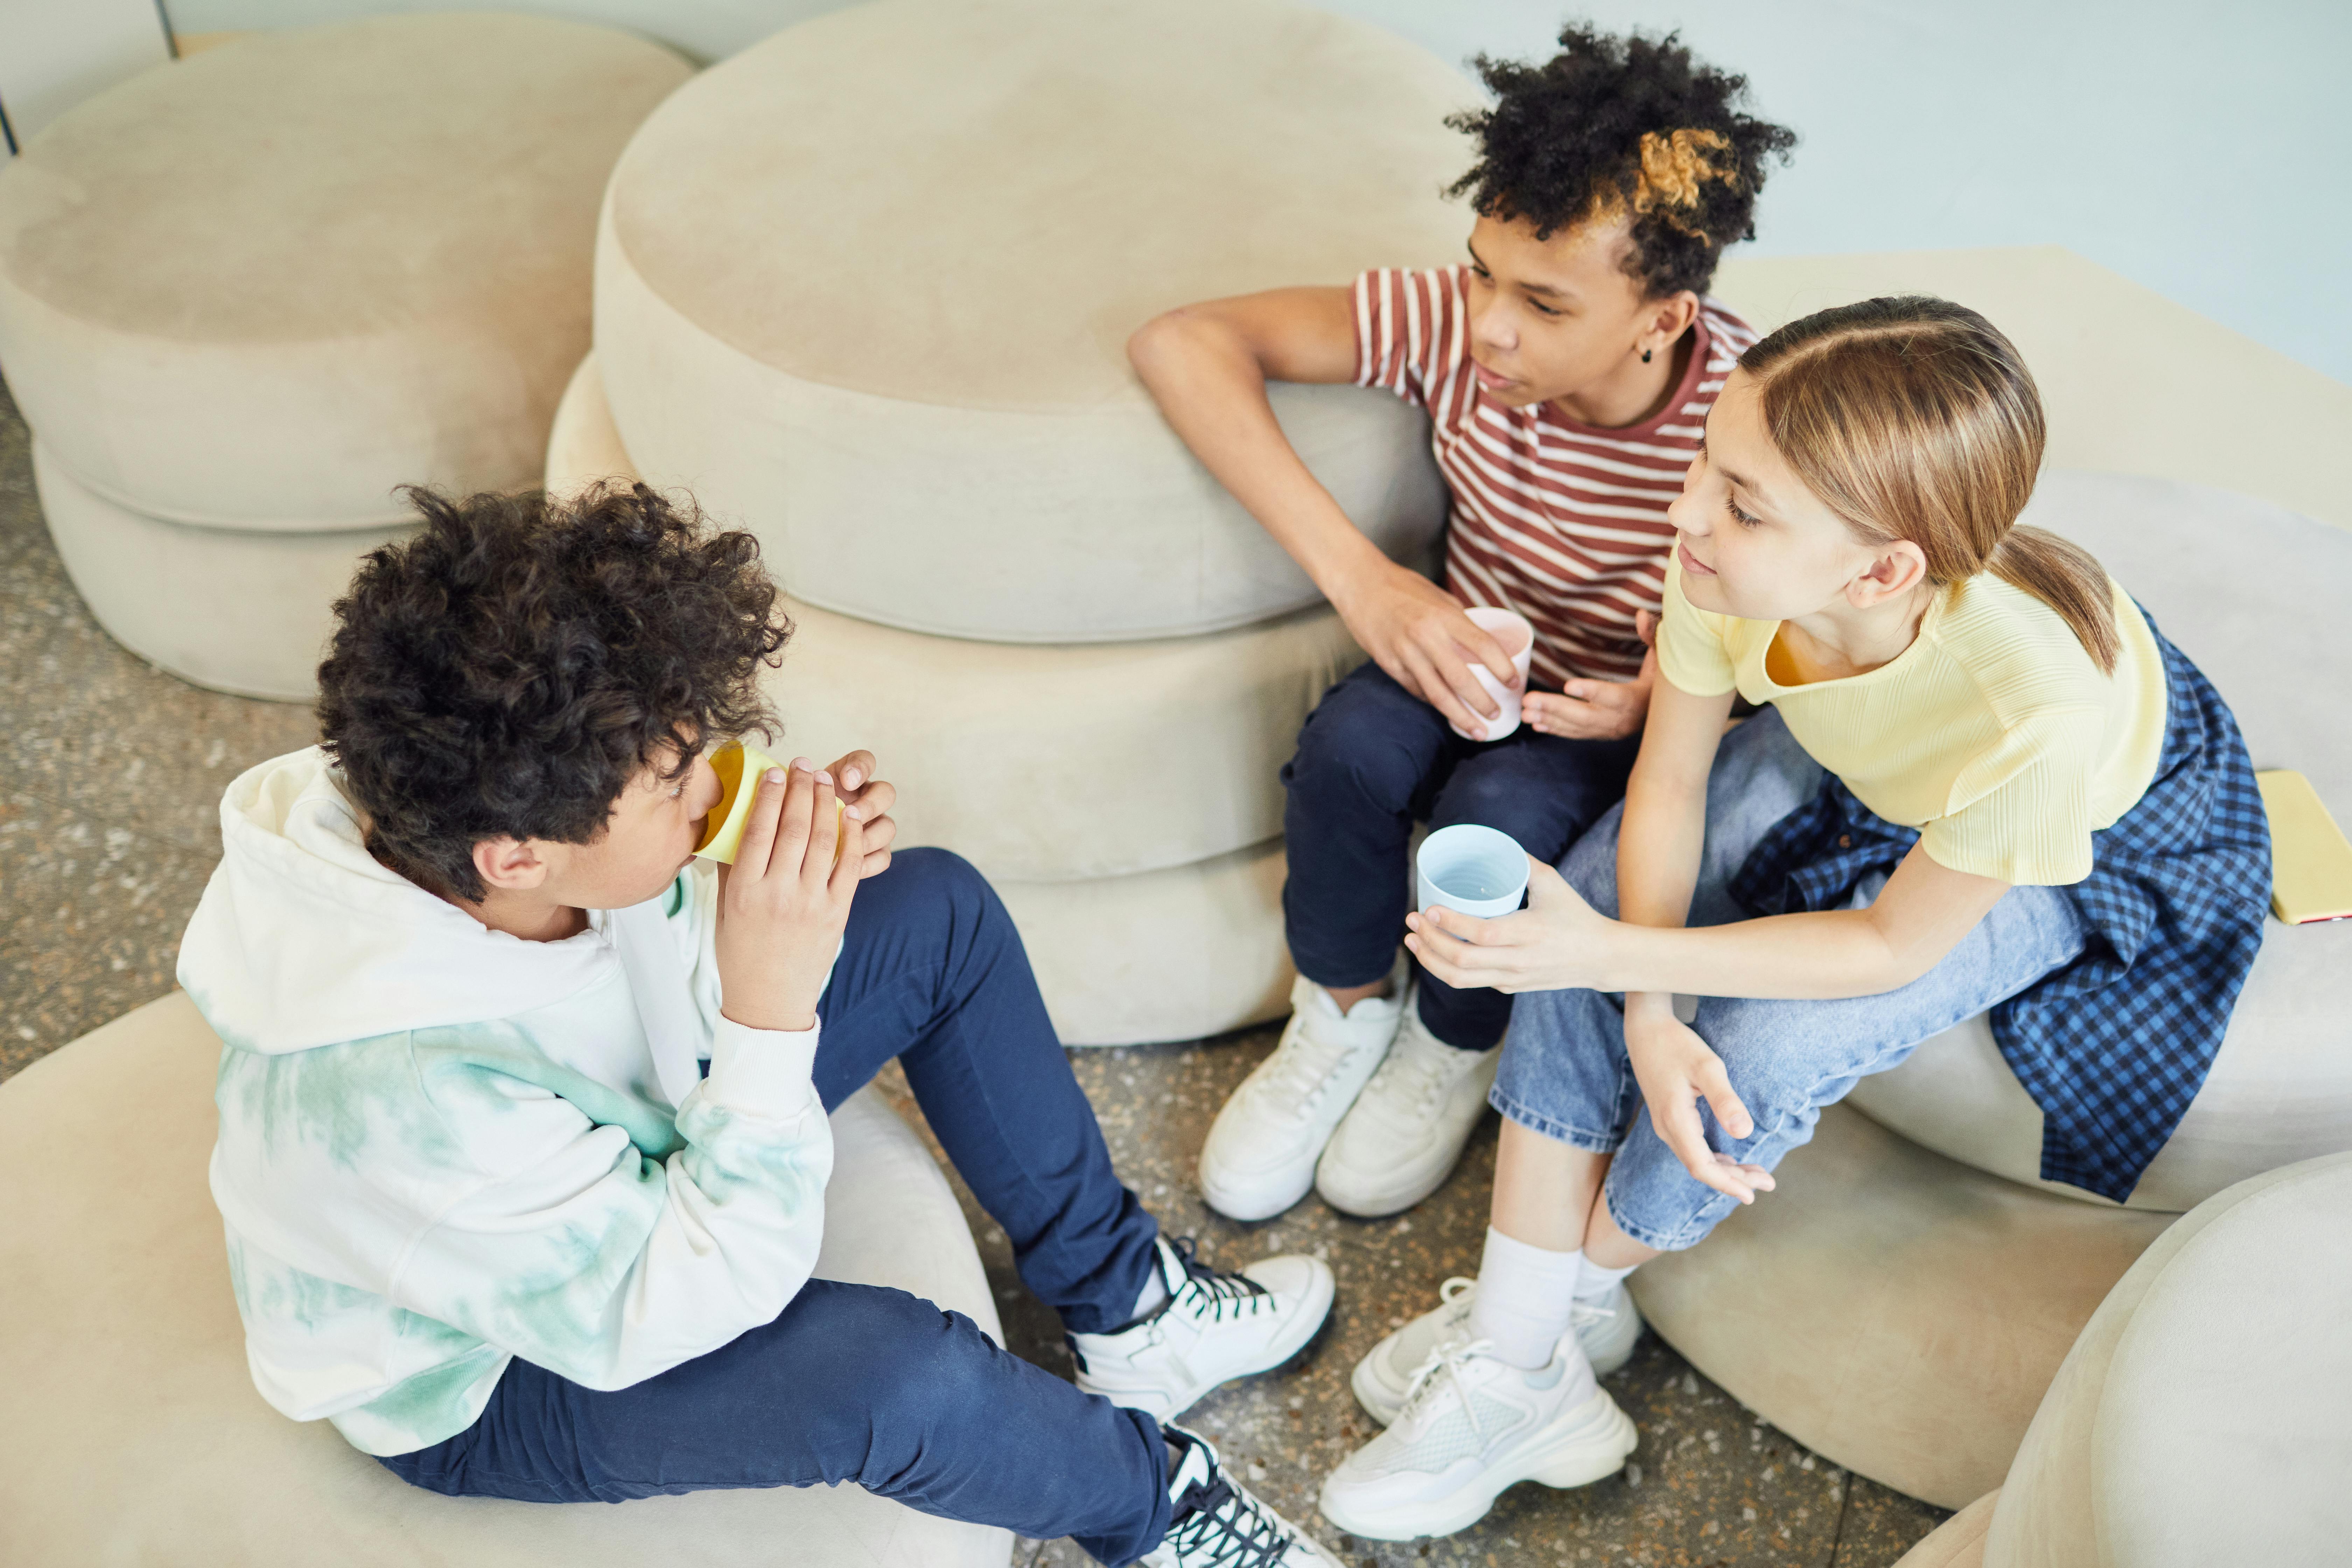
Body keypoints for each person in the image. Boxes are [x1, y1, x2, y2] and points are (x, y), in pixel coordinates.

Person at [181, 484, 1349, 1568]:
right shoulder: (394, 1104)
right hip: (497, 1367)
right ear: (521, 858)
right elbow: (694, 1292)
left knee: (934, 909)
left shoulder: (469, 799)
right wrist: (772, 997)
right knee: (899, 1378)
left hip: (626, 1140)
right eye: (682, 779)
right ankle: (1157, 1511)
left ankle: (1131, 1306)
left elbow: (631, 976)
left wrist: (782, 892)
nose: (721, 782)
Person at [1312, 297, 2270, 1542]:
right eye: (1709, 461)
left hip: (2081, 842)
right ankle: (1520, 1350)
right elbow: (1664, 784)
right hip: (1870, 755)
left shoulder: (2037, 715)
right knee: (1588, 894)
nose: (1685, 512)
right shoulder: (1728, 556)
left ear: (1879, 570)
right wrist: (1643, 1006)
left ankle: (1546, 1318)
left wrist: (1607, 960)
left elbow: (1890, 947)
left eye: (1742, 501)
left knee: (1763, 1054)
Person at [1129, 25, 1796, 1228]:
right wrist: (1368, 583)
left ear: (1662, 317)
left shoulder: (1744, 415)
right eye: (1482, 270)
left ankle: (1451, 1040)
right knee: (1344, 753)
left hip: (1616, 706)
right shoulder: (1449, 323)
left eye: (1542, 302)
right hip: (1459, 640)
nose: (1489, 325)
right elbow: (1181, 343)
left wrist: (1668, 695)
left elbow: (1792, 614)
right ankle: (1336, 1011)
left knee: (1504, 824)